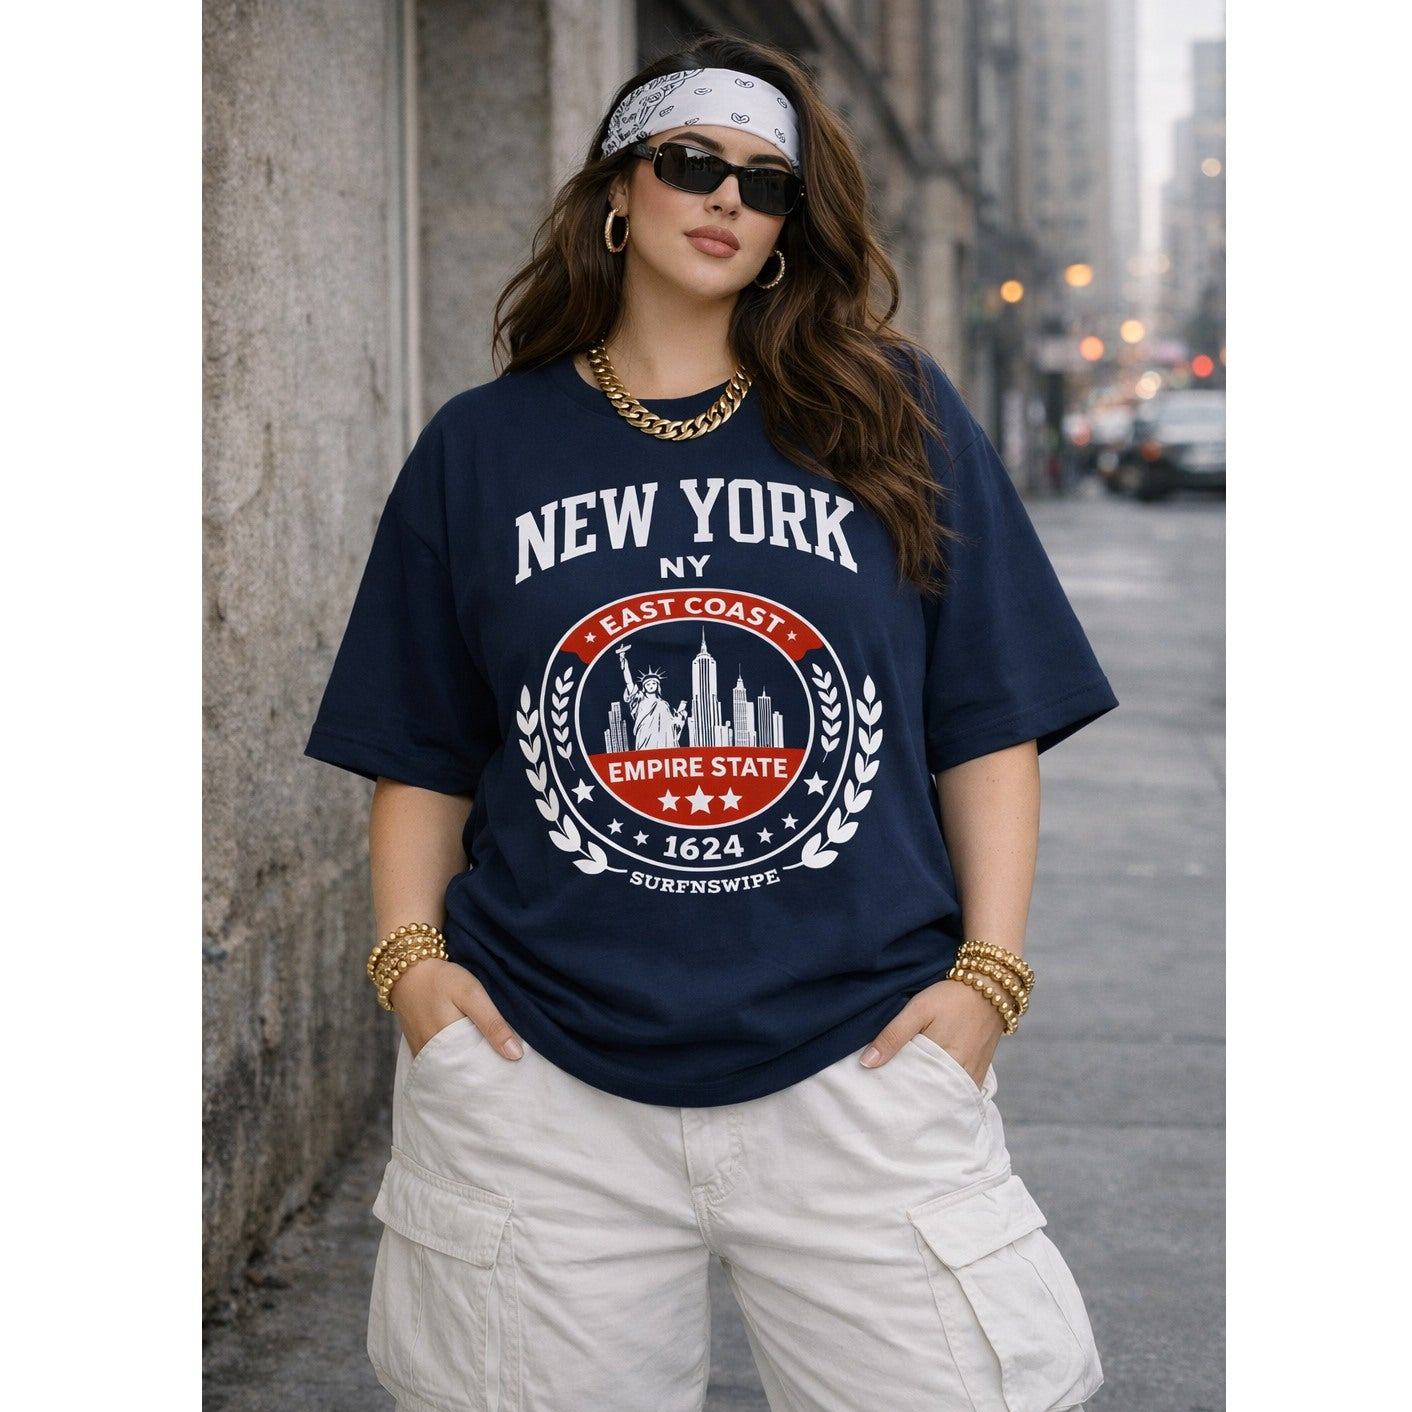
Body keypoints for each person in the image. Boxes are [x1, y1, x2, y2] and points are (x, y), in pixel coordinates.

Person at [307, 31, 1117, 1412]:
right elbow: (419, 745)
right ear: (615, 195)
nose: (727, 198)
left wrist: (988, 980)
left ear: (795, 225)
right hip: (539, 1080)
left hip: (859, 1061)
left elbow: (985, 721)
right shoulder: (483, 447)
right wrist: (413, 980)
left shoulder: (893, 415)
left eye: (766, 181)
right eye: (690, 163)